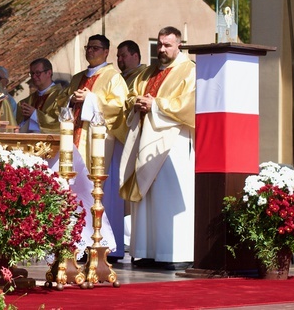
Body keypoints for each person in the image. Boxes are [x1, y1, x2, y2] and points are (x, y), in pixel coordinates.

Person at [119, 26, 196, 268]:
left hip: (173, 142)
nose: (162, 49)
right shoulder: (147, 72)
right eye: (159, 45)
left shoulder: (189, 70)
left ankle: (174, 254)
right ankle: (146, 251)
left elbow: (189, 104)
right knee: (146, 199)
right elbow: (129, 95)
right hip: (145, 138)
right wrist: (136, 102)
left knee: (166, 196)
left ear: (179, 45)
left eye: (167, 45)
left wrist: (155, 104)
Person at [56, 34, 128, 261]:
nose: (90, 51)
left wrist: (91, 99)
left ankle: (99, 244)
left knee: (94, 192)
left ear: (106, 51)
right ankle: (75, 242)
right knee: (72, 192)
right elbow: (61, 104)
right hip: (73, 142)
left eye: (96, 48)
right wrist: (72, 100)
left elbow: (118, 107)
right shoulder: (77, 78)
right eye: (89, 47)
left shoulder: (113, 77)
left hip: (97, 145)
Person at [16, 58, 63, 134]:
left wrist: (35, 114)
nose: (34, 77)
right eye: (32, 73)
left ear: (49, 73)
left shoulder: (62, 96)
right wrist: (25, 119)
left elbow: (58, 123)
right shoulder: (26, 102)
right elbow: (16, 127)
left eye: (38, 73)